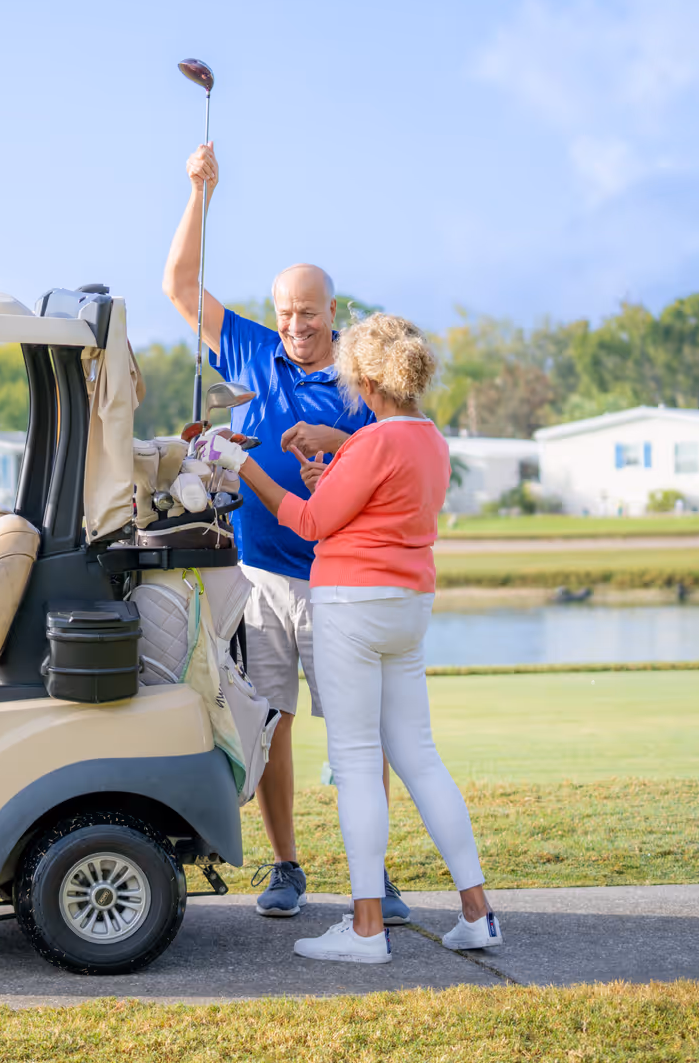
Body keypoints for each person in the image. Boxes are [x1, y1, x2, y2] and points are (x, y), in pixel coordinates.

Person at [200, 313, 499, 964]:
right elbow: (366, 507)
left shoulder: (371, 443)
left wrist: (239, 462)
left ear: (365, 379)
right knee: (418, 754)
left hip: (351, 606)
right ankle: (478, 913)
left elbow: (307, 522)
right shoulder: (430, 440)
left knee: (359, 760)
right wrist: (330, 477)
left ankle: (367, 930)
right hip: (408, 605)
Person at [162, 143, 408, 924]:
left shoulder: (363, 380)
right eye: (285, 312)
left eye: (308, 312)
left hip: (341, 582)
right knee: (270, 726)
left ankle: (376, 876)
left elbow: (397, 466)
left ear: (334, 313)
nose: (296, 325)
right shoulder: (246, 348)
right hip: (264, 577)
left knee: (359, 739)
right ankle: (288, 867)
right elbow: (177, 286)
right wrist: (200, 192)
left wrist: (334, 465)